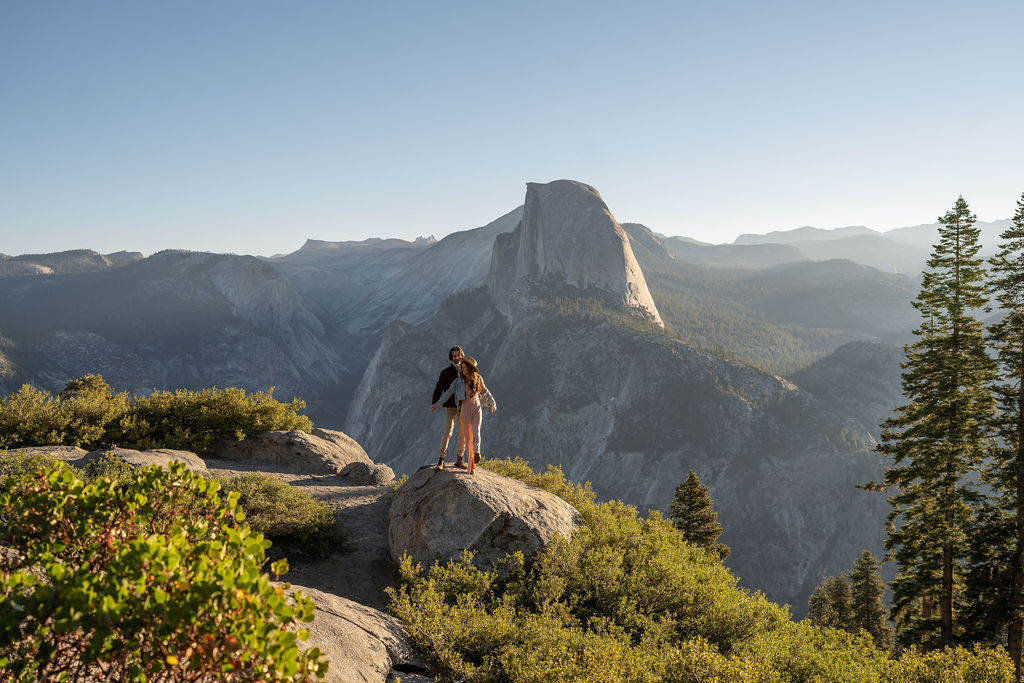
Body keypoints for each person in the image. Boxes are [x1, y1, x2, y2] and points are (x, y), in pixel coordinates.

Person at [455, 357, 496, 475]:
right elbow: (452, 393)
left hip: (476, 408)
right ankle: (471, 465)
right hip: (464, 410)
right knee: (468, 438)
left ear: (469, 367)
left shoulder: (478, 378)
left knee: (476, 431)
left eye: (463, 367)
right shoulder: (460, 380)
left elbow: (485, 392)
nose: (461, 369)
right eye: (461, 368)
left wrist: (493, 403)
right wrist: (438, 403)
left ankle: (477, 452)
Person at [431, 346, 467, 470]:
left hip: (464, 406)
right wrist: (435, 402)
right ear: (451, 357)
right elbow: (439, 388)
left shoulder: (467, 371)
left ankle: (459, 459)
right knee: (447, 433)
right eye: (454, 356)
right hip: (451, 407)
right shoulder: (445, 372)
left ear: (461, 355)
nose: (456, 358)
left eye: (458, 355)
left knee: (462, 434)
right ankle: (441, 460)